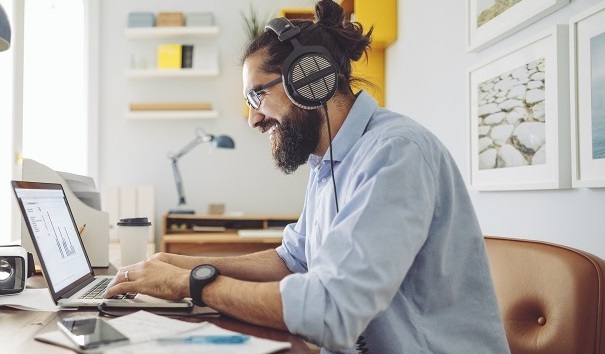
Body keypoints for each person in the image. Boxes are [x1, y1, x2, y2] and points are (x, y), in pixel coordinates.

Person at [105, 1, 510, 352]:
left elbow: (331, 311)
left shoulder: (395, 153)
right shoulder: (328, 161)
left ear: (308, 78)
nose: (252, 119)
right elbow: (293, 260)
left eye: (255, 96)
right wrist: (178, 263)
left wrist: (190, 283)